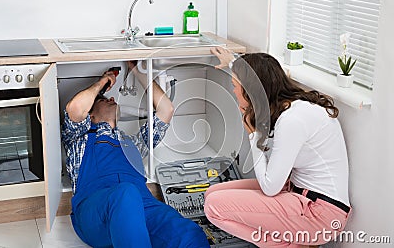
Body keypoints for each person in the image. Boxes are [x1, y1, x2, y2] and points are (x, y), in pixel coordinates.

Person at [204, 48, 352, 247]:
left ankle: (291, 245)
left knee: (214, 207)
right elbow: (256, 79)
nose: (233, 91)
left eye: (234, 86)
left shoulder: (292, 121)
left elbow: (270, 187)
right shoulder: (292, 105)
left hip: (320, 215)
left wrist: (253, 135)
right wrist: (233, 62)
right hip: (299, 194)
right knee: (211, 194)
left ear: (250, 92)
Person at [61, 61, 209, 248]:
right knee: (126, 193)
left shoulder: (133, 143)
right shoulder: (78, 138)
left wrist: (138, 70)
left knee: (189, 234)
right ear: (90, 116)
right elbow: (75, 107)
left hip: (142, 205)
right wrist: (102, 82)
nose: (112, 99)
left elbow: (166, 109)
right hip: (96, 210)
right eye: (103, 100)